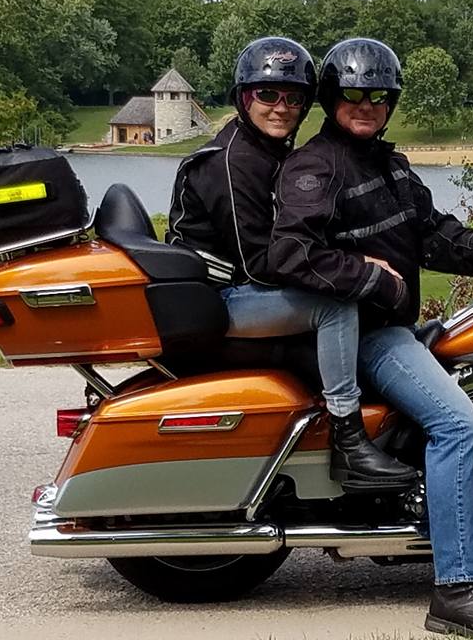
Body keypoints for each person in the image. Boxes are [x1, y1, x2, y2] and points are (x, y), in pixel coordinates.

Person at [269, 38, 473, 638]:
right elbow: (291, 253)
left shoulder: (387, 164)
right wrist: (370, 277)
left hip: (391, 324)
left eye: (378, 94)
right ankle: (456, 590)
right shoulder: (316, 167)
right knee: (457, 424)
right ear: (331, 98)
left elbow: (434, 233)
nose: (366, 104)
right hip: (369, 335)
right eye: (353, 94)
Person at [166, 36, 417, 489]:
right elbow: (263, 263)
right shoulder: (233, 162)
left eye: (293, 96)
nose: (280, 107)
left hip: (230, 295)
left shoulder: (262, 149)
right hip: (218, 300)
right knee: (334, 304)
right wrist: (359, 268)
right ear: (244, 98)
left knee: (338, 295)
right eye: (266, 94)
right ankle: (349, 438)